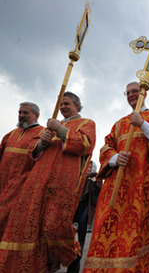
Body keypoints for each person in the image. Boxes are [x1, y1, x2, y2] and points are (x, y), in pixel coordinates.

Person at [0, 92, 96, 273]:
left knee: (55, 227)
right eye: (61, 105)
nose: (63, 108)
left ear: (77, 105)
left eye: (66, 104)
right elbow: (33, 150)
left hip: (63, 183)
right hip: (39, 182)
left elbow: (85, 144)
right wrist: (42, 142)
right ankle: (40, 265)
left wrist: (59, 130)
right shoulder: (50, 127)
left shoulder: (86, 123)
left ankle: (72, 255)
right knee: (35, 226)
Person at [83, 81, 149, 273]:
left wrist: (142, 124)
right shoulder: (119, 124)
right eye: (128, 93)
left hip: (142, 188)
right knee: (108, 229)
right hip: (116, 187)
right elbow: (106, 147)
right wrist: (115, 158)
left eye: (135, 91)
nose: (131, 95)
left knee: (136, 233)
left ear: (145, 93)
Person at [0, 102, 44, 231]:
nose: (21, 115)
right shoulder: (11, 134)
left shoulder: (42, 133)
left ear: (36, 115)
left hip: (21, 186)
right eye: (19, 112)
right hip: (3, 184)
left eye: (25, 113)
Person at [67, 160, 98, 273]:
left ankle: (77, 257)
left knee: (82, 233)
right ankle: (73, 254)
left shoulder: (96, 178)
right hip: (76, 206)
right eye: (87, 167)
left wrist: (95, 183)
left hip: (86, 207)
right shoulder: (79, 176)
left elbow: (97, 195)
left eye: (90, 167)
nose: (88, 169)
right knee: (71, 232)